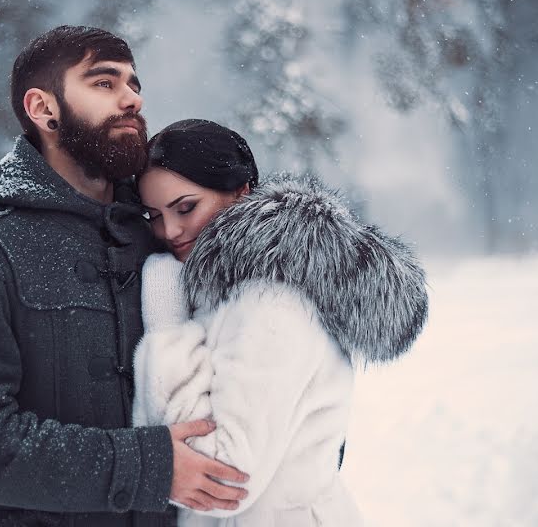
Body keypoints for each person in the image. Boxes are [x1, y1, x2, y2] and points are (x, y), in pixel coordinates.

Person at [0, 28, 248, 527]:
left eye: (133, 84)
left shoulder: (160, 231)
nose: (131, 98)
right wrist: (145, 467)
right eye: (104, 83)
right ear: (43, 109)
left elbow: (242, 358)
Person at [132, 119, 429, 526]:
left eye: (186, 207)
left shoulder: (270, 302)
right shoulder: (229, 292)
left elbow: (222, 476)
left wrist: (166, 326)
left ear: (240, 191)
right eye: (153, 215)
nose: (170, 230)